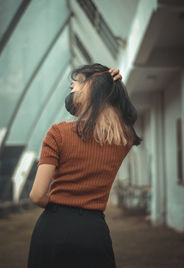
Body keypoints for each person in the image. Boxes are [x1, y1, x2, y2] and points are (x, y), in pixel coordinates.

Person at [27, 63, 142, 268]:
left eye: (75, 84)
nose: (71, 89)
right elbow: (128, 115)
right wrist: (116, 86)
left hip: (52, 230)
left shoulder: (58, 133)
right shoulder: (123, 139)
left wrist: (60, 209)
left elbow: (36, 195)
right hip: (93, 233)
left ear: (91, 87)